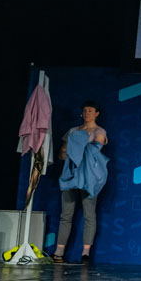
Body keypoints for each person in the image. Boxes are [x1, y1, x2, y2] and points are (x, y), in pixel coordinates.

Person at [54, 100, 109, 264]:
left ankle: (85, 254)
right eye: (85, 110)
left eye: (90, 111)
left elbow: (95, 148)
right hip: (71, 175)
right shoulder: (72, 131)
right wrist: (67, 153)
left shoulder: (99, 131)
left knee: (89, 215)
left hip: (89, 177)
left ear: (97, 113)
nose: (87, 113)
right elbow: (63, 153)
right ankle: (58, 253)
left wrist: (75, 148)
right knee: (66, 215)